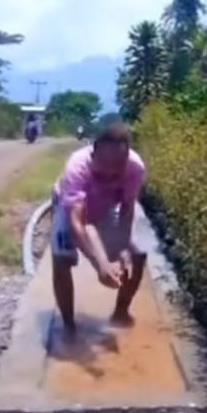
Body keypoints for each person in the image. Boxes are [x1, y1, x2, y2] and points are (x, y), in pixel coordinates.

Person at [50, 121, 148, 335]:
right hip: (71, 209)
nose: (110, 174)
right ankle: (68, 325)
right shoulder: (77, 167)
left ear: (127, 158)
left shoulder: (135, 168)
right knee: (62, 257)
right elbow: (79, 222)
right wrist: (100, 263)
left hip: (105, 208)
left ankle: (121, 312)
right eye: (104, 169)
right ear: (93, 155)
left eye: (117, 170)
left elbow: (127, 208)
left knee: (137, 254)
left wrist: (122, 246)